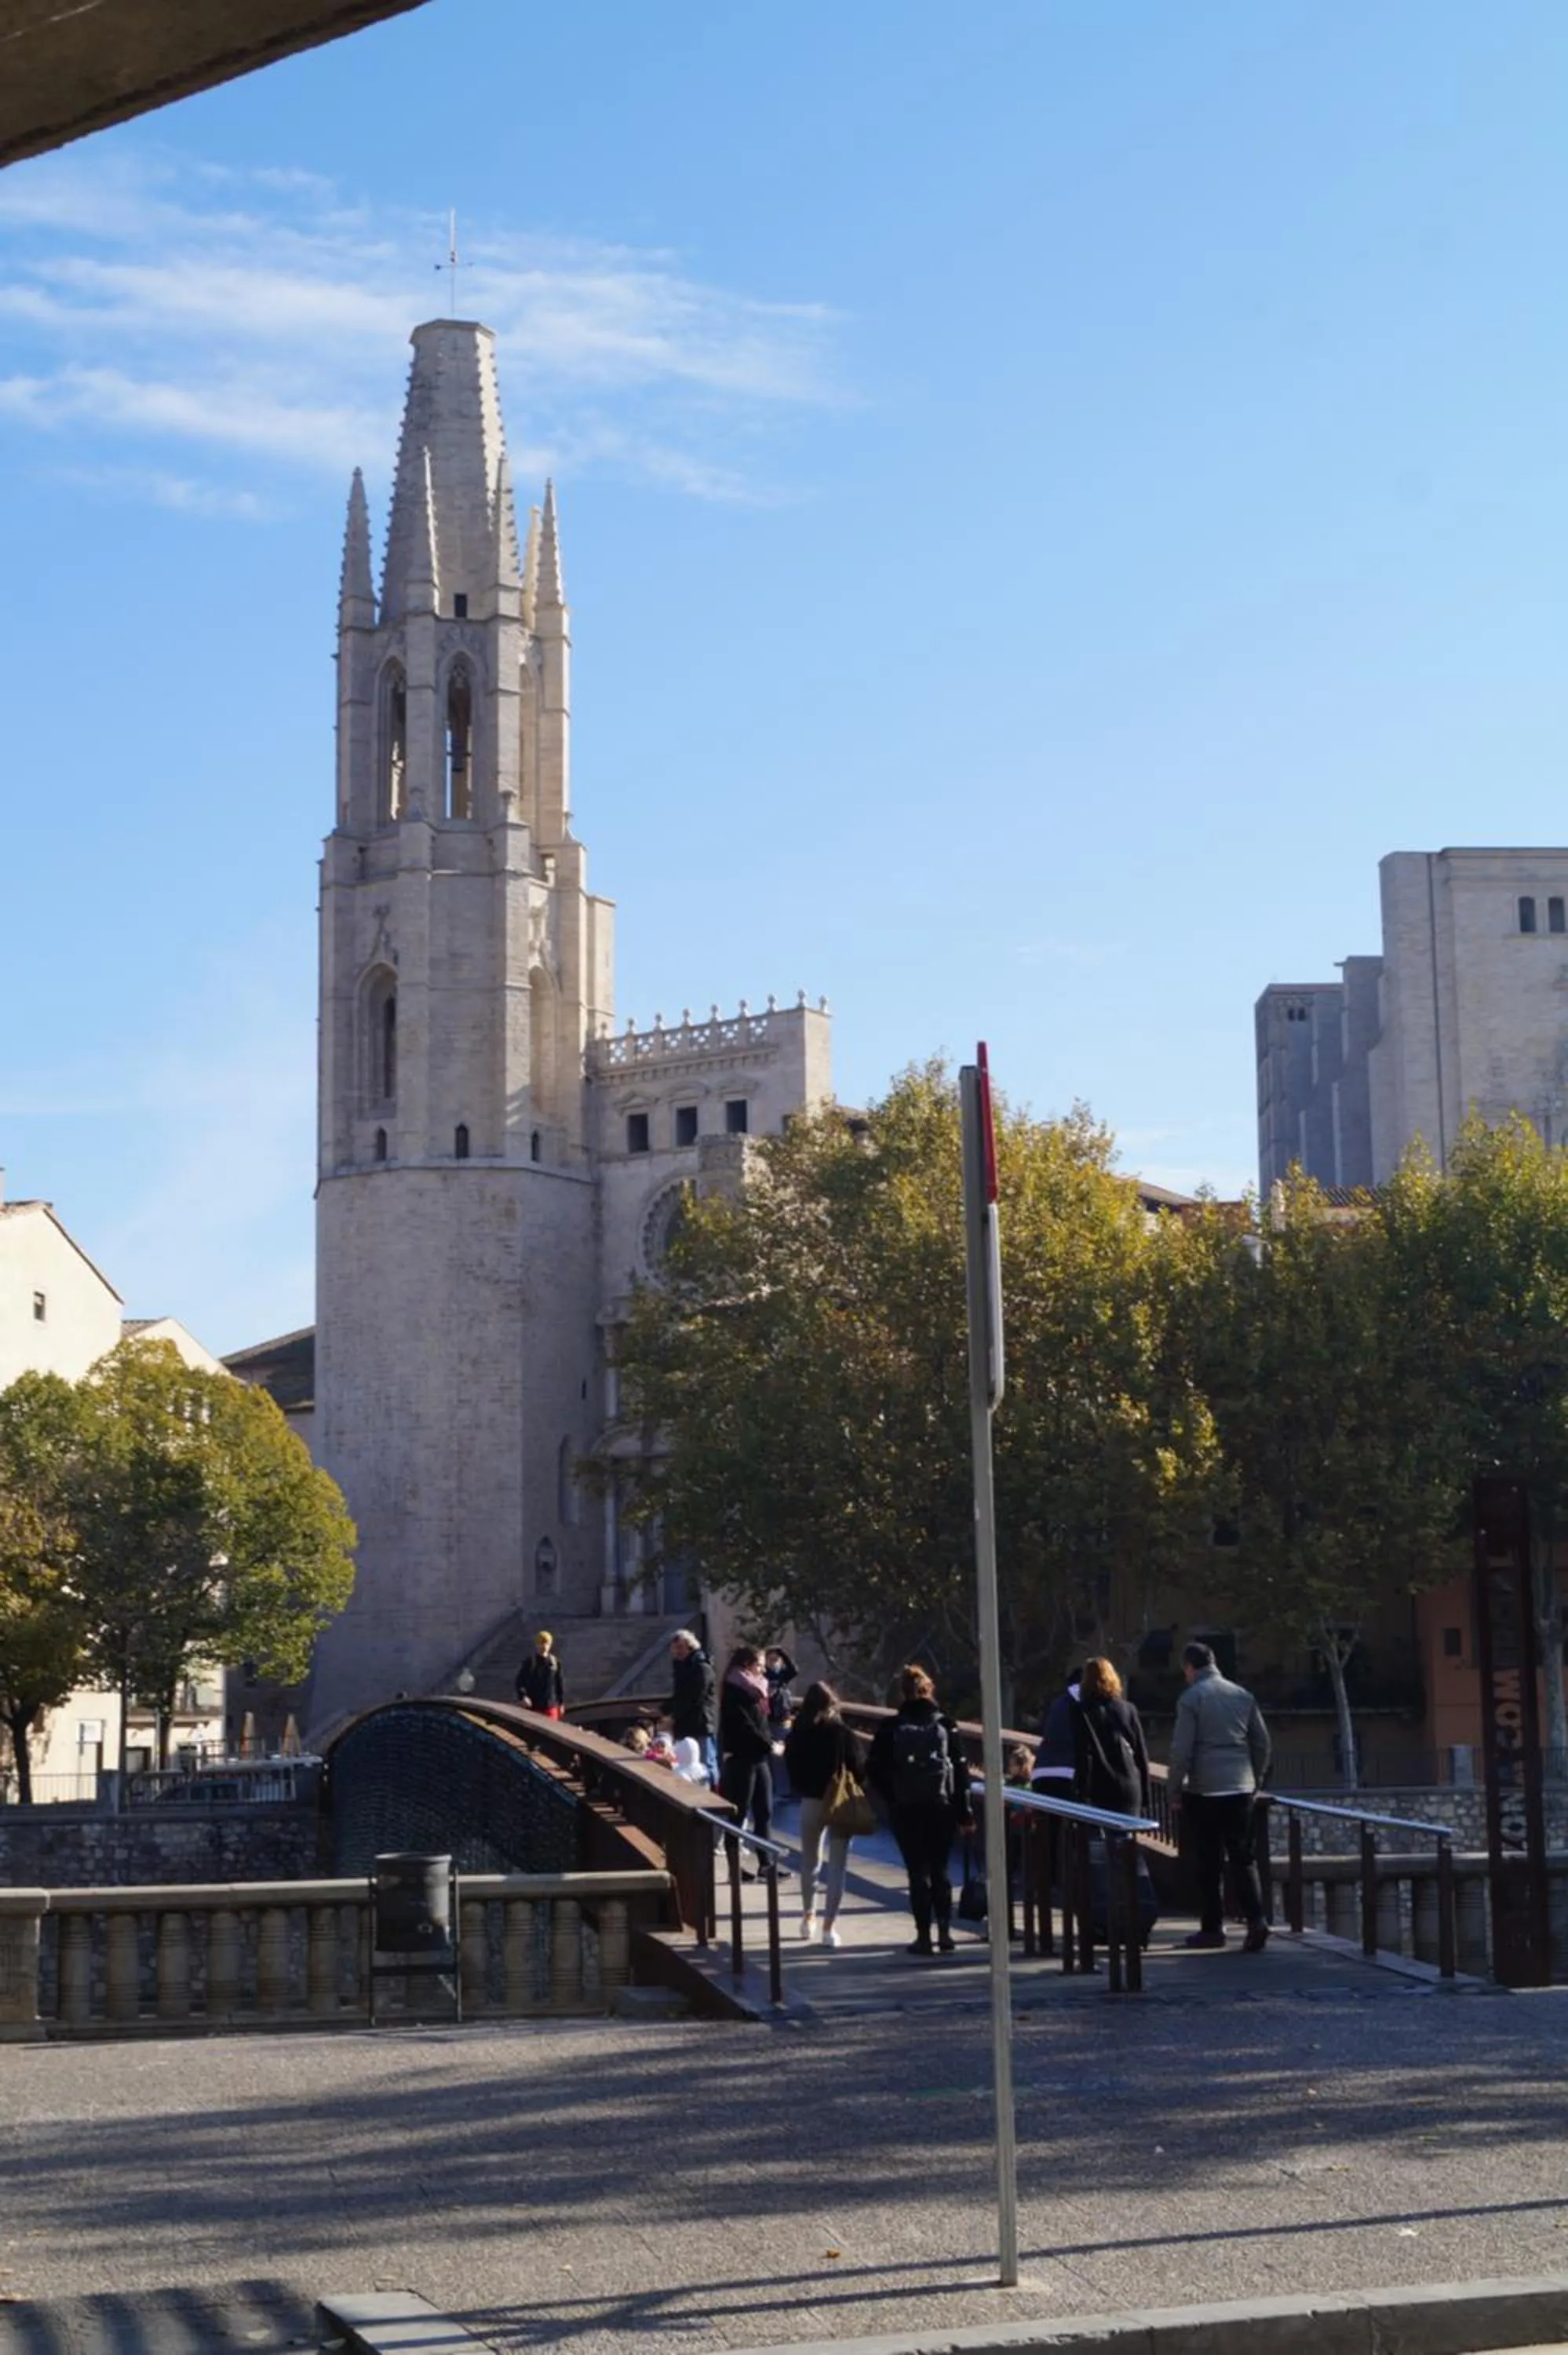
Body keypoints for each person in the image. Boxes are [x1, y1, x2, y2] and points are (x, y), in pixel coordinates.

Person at [1166, 1639, 1272, 1953]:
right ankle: (1257, 1921)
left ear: (1189, 1667)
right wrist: (1255, 1778)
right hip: (1240, 1787)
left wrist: (1174, 1789)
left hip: (1205, 1790)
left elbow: (1180, 1751)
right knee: (1243, 1858)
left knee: (1208, 1861)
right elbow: (1263, 1743)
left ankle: (1212, 1928)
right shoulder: (1243, 1696)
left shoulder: (1191, 1699)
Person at [864, 1664, 972, 1957]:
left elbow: (873, 1769)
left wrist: (893, 1796)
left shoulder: (891, 1727)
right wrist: (965, 1814)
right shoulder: (946, 1724)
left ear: (903, 1691)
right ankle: (946, 1932)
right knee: (940, 1868)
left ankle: (923, 1936)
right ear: (929, 1689)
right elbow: (961, 1773)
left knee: (917, 1871)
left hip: (906, 1808)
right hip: (942, 1806)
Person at [784, 1681, 866, 1948]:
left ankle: (808, 1917)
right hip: (839, 1803)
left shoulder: (800, 1732)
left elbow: (790, 1764)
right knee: (838, 1866)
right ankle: (830, 1927)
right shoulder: (842, 1733)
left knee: (810, 1863)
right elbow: (860, 1769)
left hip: (810, 1801)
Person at [1074, 1657, 1151, 1820]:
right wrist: (1145, 1797)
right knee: (1125, 1840)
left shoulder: (1082, 1712)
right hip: (1129, 1787)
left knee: (1098, 1841)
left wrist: (1081, 1793)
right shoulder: (1128, 1709)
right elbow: (1141, 1756)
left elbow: (1084, 1754)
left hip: (1099, 1789)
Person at [718, 1644, 775, 1849]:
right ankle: (735, 1866)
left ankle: (766, 1863)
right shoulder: (735, 1690)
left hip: (759, 1757)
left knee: (765, 1812)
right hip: (742, 1759)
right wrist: (769, 1745)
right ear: (746, 1665)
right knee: (739, 1812)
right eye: (759, 1665)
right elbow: (744, 1725)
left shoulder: (756, 1689)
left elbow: (761, 1721)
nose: (763, 1670)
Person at [667, 1630, 719, 1786]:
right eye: (675, 1648)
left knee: (705, 1764)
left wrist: (672, 1716)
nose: (678, 1652)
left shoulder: (702, 1668)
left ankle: (714, 1798)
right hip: (686, 1723)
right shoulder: (681, 1668)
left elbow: (694, 1697)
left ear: (691, 1648)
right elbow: (679, 1695)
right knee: (683, 1764)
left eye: (681, 1648)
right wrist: (663, 1710)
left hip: (701, 1724)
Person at [515, 1630, 564, 1716]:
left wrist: (561, 1703)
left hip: (551, 1707)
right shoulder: (530, 1662)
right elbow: (519, 1682)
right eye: (541, 1643)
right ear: (537, 1645)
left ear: (550, 1645)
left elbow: (559, 1684)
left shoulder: (555, 1662)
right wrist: (523, 1697)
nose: (544, 1646)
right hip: (533, 1707)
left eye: (546, 1643)